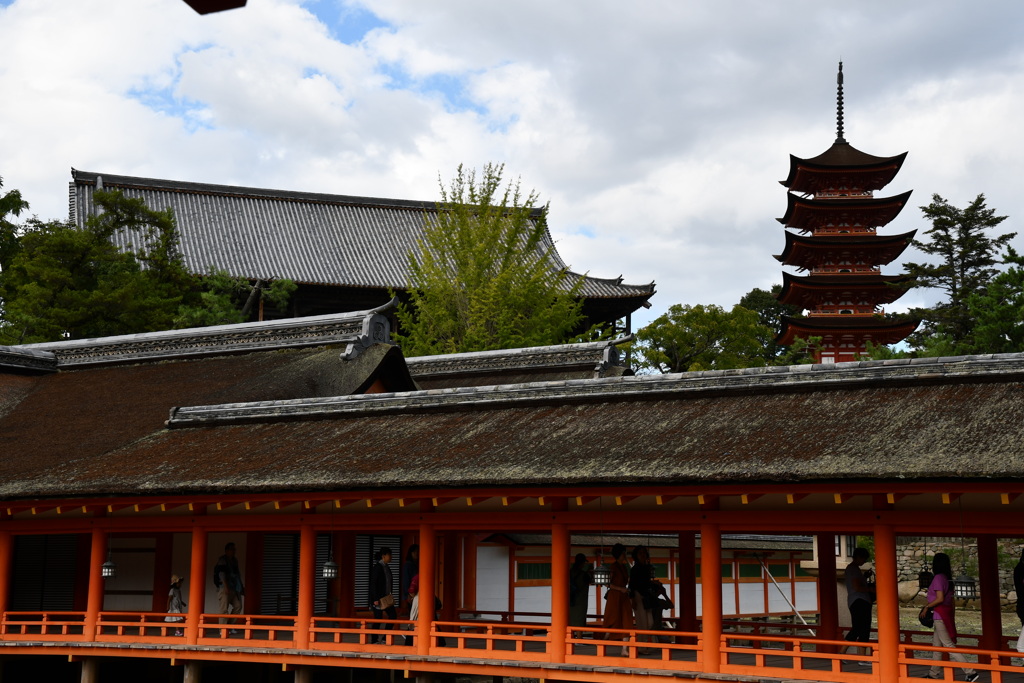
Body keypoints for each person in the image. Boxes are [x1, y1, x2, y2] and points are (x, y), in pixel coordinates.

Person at [920, 552, 979, 682]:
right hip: (943, 614)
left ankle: (971, 672)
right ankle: (933, 673)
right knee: (937, 646)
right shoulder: (947, 578)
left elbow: (939, 598)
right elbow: (950, 601)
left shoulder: (938, 578)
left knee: (948, 646)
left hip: (939, 614)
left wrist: (927, 607)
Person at [838, 547, 875, 661]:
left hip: (856, 601)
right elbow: (857, 587)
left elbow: (856, 584)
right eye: (863, 558)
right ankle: (857, 656)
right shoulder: (853, 569)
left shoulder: (854, 569)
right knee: (861, 628)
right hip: (860, 601)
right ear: (858, 557)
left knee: (859, 628)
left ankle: (845, 654)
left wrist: (864, 577)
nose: (864, 561)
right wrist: (871, 590)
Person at [601, 543, 633, 656]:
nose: (625, 555)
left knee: (626, 620)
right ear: (620, 553)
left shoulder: (624, 566)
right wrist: (620, 588)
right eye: (624, 553)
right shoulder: (613, 567)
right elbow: (607, 583)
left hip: (623, 596)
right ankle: (602, 643)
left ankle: (625, 649)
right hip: (615, 596)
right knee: (612, 620)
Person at [628, 545, 655, 644]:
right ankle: (642, 646)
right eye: (640, 553)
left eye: (644, 553)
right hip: (637, 595)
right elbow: (631, 585)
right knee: (642, 622)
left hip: (646, 596)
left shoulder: (647, 568)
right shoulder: (635, 569)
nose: (642, 555)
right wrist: (632, 599)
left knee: (650, 622)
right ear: (636, 555)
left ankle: (642, 644)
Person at [213, 542, 244, 629]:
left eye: (234, 549)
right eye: (232, 549)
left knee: (238, 606)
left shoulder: (235, 560)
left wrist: (241, 586)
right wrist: (225, 586)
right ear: (227, 550)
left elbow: (237, 574)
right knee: (224, 609)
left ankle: (229, 626)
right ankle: (222, 629)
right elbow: (221, 574)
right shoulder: (222, 560)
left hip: (234, 587)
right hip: (224, 587)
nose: (234, 551)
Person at [369, 547, 396, 644]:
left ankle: (385, 638)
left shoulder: (386, 567)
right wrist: (375, 598)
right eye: (390, 555)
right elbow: (373, 583)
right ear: (383, 556)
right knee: (378, 618)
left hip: (386, 597)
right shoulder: (377, 567)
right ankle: (374, 640)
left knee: (393, 616)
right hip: (379, 598)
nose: (391, 557)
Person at [569, 553, 593, 628]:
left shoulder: (569, 572)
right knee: (579, 621)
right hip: (580, 601)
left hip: (570, 600)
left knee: (570, 619)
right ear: (582, 563)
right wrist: (590, 572)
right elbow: (590, 580)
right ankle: (579, 638)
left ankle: (571, 637)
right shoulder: (583, 575)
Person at [400, 544, 419, 616]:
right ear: (410, 553)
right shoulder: (408, 565)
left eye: (417, 552)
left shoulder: (417, 564)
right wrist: (408, 594)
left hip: (418, 591)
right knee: (413, 613)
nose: (416, 554)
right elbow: (406, 580)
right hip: (411, 592)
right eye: (414, 552)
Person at [1015, 549, 1024, 653]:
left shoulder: (1019, 569)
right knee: (1021, 646)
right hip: (1022, 605)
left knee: (1021, 646)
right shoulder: (1020, 569)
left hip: (1022, 605)